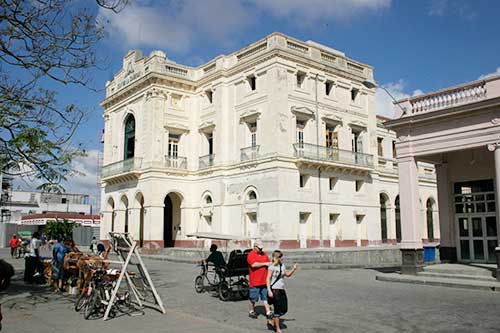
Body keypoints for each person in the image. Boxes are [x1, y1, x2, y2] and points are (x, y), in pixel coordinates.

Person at [266, 250, 298, 333]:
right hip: (274, 290)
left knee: (284, 309)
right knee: (277, 310)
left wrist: (293, 269)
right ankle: (277, 329)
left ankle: (272, 320)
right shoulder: (271, 266)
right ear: (276, 257)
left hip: (281, 289)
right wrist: (269, 290)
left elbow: (287, 274)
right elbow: (268, 279)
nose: (282, 258)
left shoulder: (282, 265)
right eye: (280, 257)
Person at [247, 240, 272, 319]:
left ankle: (268, 312)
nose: (261, 250)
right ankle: (251, 311)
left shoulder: (264, 254)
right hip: (255, 281)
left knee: (265, 297)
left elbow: (269, 262)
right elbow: (253, 264)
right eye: (259, 248)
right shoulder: (251, 255)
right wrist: (265, 263)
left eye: (262, 248)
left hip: (264, 281)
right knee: (253, 299)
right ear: (255, 247)